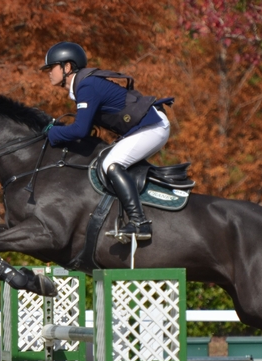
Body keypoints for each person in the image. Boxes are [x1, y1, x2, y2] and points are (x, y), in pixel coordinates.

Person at [41, 42, 171, 241]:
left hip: (153, 127)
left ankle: (139, 223)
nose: (49, 72)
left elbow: (80, 130)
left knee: (111, 164)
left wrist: (52, 134)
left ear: (67, 67)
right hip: (145, 127)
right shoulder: (82, 86)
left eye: (52, 67)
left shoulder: (86, 86)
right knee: (106, 161)